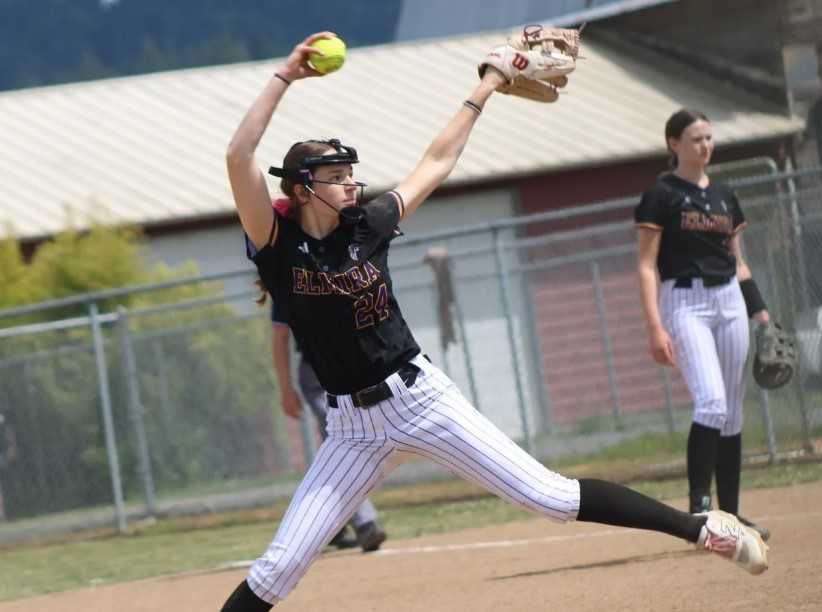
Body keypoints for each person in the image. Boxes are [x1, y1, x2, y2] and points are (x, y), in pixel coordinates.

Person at [221, 33, 769, 611]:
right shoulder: (276, 243)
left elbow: (437, 160)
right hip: (351, 430)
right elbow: (238, 156)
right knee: (278, 568)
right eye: (337, 176)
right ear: (304, 189)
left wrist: (487, 82)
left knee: (550, 498)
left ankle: (703, 527)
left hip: (419, 398)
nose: (351, 182)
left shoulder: (368, 224)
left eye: (351, 172)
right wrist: (285, 75)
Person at [634, 109, 772, 541]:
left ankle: (730, 516)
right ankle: (700, 514)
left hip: (730, 298)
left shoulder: (725, 195)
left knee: (731, 412)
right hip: (686, 301)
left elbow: (739, 261)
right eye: (696, 139)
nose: (705, 146)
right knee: (711, 402)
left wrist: (760, 312)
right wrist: (655, 327)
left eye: (709, 138)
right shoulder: (662, 193)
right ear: (674, 144)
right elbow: (645, 266)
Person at [270, 296, 387, 552]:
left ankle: (330, 523)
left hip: (351, 362)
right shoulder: (289, 276)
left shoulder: (334, 266)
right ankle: (365, 522)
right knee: (345, 441)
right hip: (318, 370)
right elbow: (280, 336)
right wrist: (285, 389)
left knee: (341, 446)